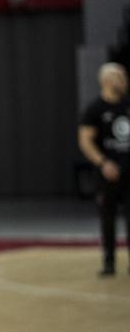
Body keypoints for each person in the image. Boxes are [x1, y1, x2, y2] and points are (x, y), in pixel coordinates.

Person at [78, 61, 130, 276]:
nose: (124, 80)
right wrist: (103, 163)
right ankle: (109, 261)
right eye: (119, 76)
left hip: (129, 174)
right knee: (107, 217)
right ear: (106, 80)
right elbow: (85, 141)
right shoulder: (94, 109)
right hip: (107, 174)